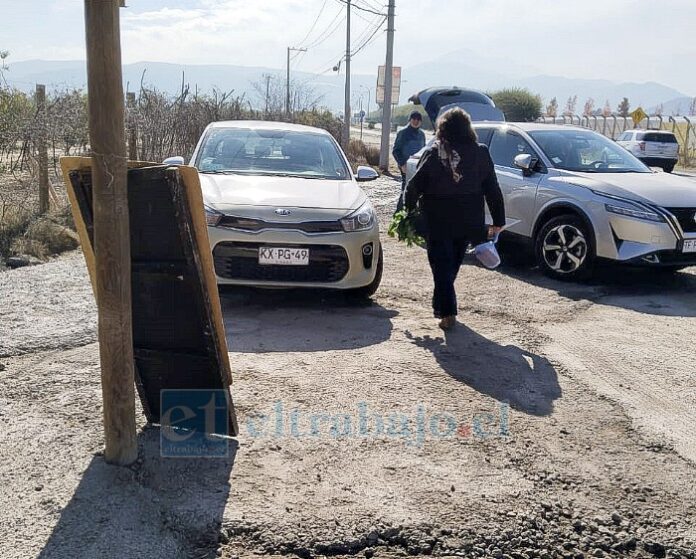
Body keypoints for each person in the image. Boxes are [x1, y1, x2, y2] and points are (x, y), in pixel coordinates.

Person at [403, 107, 505, 330]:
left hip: (437, 220)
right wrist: (499, 220)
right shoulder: (481, 153)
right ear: (468, 128)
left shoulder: (434, 153)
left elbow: (413, 187)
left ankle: (447, 312)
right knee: (450, 266)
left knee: (442, 267)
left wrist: (408, 213)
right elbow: (492, 189)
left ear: (443, 129)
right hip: (469, 222)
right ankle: (444, 308)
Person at [392, 110, 426, 209]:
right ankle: (399, 215)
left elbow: (424, 151)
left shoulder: (421, 135)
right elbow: (396, 151)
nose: (416, 121)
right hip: (406, 167)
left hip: (418, 167)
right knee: (406, 190)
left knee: (418, 192)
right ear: (410, 120)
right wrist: (402, 164)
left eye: (418, 119)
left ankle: (412, 215)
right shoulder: (403, 133)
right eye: (414, 119)